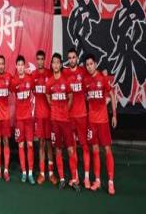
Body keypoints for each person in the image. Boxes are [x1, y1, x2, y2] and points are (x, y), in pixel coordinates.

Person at [83, 54, 117, 195]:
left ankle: (110, 182)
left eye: (91, 64)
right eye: (87, 65)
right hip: (92, 122)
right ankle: (97, 180)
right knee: (95, 150)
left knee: (107, 150)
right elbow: (85, 98)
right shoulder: (86, 81)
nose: (89, 67)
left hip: (103, 121)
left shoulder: (102, 78)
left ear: (95, 64)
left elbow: (112, 95)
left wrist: (114, 115)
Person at [46, 53, 80, 191]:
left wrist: (65, 110)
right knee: (58, 149)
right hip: (54, 121)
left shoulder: (66, 81)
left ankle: (74, 179)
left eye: (57, 62)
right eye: (53, 62)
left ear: (61, 65)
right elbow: (48, 96)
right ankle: (61, 179)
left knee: (70, 149)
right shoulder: (49, 82)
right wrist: (54, 108)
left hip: (66, 121)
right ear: (52, 65)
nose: (55, 65)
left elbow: (70, 97)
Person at [64, 48, 90, 189]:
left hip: (82, 116)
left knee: (85, 146)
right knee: (71, 148)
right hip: (69, 117)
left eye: (74, 57)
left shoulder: (83, 71)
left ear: (77, 58)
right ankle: (75, 177)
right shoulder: (65, 73)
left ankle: (86, 177)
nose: (72, 60)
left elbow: (96, 74)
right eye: (69, 58)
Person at [32, 50, 57, 185]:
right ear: (36, 60)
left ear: (45, 60)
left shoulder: (50, 74)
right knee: (41, 143)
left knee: (49, 144)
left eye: (42, 59)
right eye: (38, 59)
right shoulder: (33, 75)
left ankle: (51, 173)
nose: (40, 61)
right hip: (39, 115)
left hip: (50, 115)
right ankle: (42, 173)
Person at [11, 55, 35, 184]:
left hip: (29, 119)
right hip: (19, 119)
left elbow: (36, 90)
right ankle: (24, 172)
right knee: (21, 145)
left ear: (24, 66)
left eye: (22, 65)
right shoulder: (14, 81)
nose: (20, 67)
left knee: (30, 145)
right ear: (16, 66)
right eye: (18, 65)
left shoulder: (30, 79)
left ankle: (30, 172)